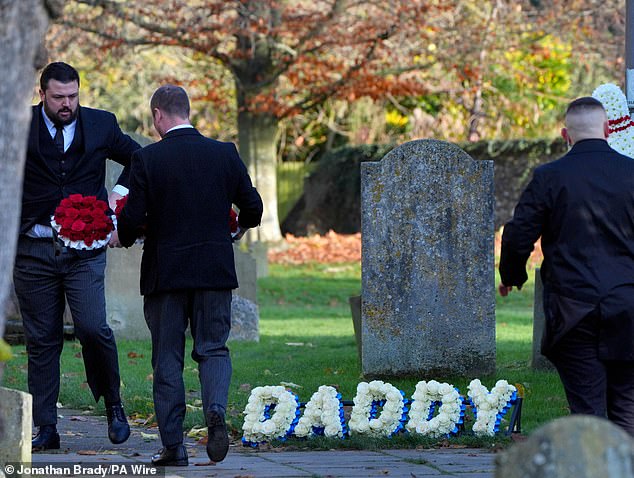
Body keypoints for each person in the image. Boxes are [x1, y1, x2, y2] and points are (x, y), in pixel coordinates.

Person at [112, 85, 263, 466]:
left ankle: (173, 447)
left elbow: (131, 217)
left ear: (158, 115)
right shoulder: (223, 153)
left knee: (166, 358)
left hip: (166, 274)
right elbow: (253, 206)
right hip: (213, 271)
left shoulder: (148, 159)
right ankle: (214, 410)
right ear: (188, 111)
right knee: (213, 349)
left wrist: (122, 236)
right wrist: (240, 227)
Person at [13, 62, 139, 451]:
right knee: (41, 339)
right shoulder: (18, 124)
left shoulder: (102, 125)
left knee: (93, 327)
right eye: (58, 98)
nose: (67, 104)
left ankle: (114, 405)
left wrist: (116, 203)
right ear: (42, 94)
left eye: (73, 96)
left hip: (85, 249)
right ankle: (46, 428)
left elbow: (138, 160)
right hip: (31, 249)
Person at [499, 96, 634, 436]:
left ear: (565, 134)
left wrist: (512, 276)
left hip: (574, 308)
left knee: (587, 409)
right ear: (607, 129)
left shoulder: (549, 177)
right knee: (627, 405)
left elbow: (519, 234)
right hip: (628, 306)